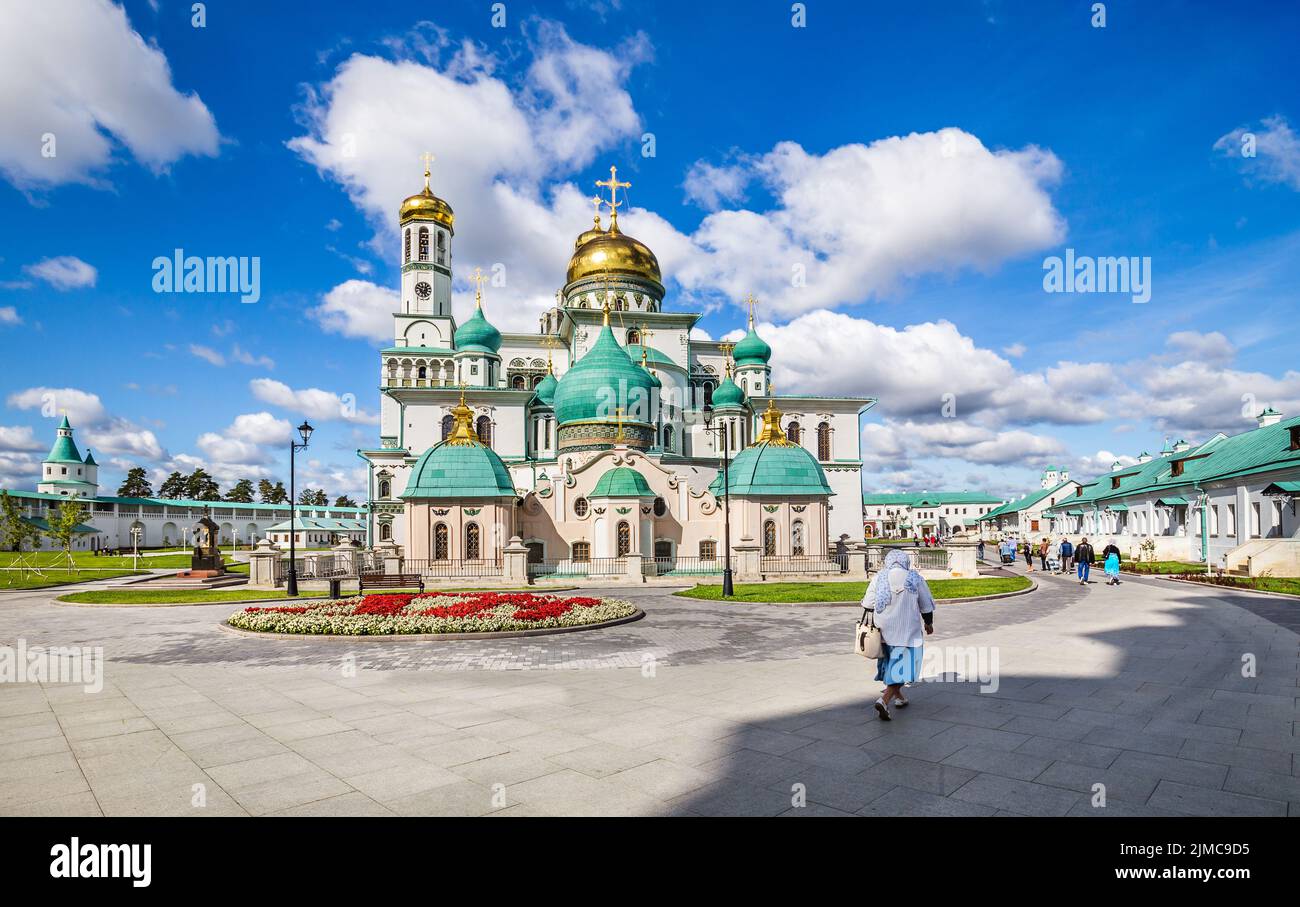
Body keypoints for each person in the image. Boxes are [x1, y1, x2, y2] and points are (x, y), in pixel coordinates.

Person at [863, 549, 935, 721]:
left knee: (891, 665)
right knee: (904, 668)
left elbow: (867, 604)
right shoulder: (915, 577)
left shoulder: (879, 577)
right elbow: (926, 604)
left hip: (884, 631)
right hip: (907, 631)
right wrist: (928, 623)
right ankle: (884, 699)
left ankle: (900, 697)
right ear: (905, 561)